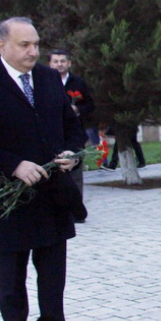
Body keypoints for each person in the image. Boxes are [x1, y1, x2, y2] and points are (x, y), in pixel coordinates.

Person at [0, 17, 91, 321]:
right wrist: (13, 164)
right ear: (1, 45)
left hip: (53, 195)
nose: (35, 51)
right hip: (9, 198)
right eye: (25, 45)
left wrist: (71, 153)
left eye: (36, 44)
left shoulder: (49, 79)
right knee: (11, 274)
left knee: (52, 271)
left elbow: (72, 127)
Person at [49, 49, 95, 211]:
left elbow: (90, 104)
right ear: (50, 63)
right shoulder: (44, 82)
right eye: (55, 61)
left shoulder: (78, 83)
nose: (59, 64)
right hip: (52, 133)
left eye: (62, 61)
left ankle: (76, 209)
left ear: (69, 63)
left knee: (75, 171)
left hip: (74, 133)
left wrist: (77, 109)